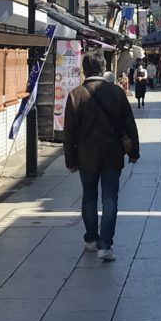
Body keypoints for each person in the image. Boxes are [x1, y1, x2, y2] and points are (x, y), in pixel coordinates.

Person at [63, 51, 140, 262]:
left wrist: (70, 160)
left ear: (84, 69)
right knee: (110, 199)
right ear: (103, 68)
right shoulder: (116, 93)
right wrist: (133, 152)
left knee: (88, 196)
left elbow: (69, 132)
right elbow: (129, 124)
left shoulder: (75, 95)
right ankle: (105, 245)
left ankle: (91, 239)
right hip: (112, 154)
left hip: (86, 155)